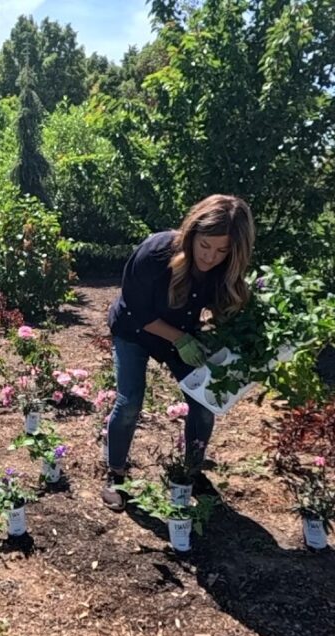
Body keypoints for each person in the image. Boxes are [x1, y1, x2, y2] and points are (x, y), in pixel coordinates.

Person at [101, 194, 256, 510]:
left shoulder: (223, 269)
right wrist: (180, 339)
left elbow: (224, 310)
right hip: (133, 329)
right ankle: (115, 473)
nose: (210, 257)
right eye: (205, 246)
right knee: (129, 402)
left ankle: (192, 472)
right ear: (192, 233)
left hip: (180, 332)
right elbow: (136, 310)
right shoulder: (156, 252)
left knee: (204, 402)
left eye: (222, 251)